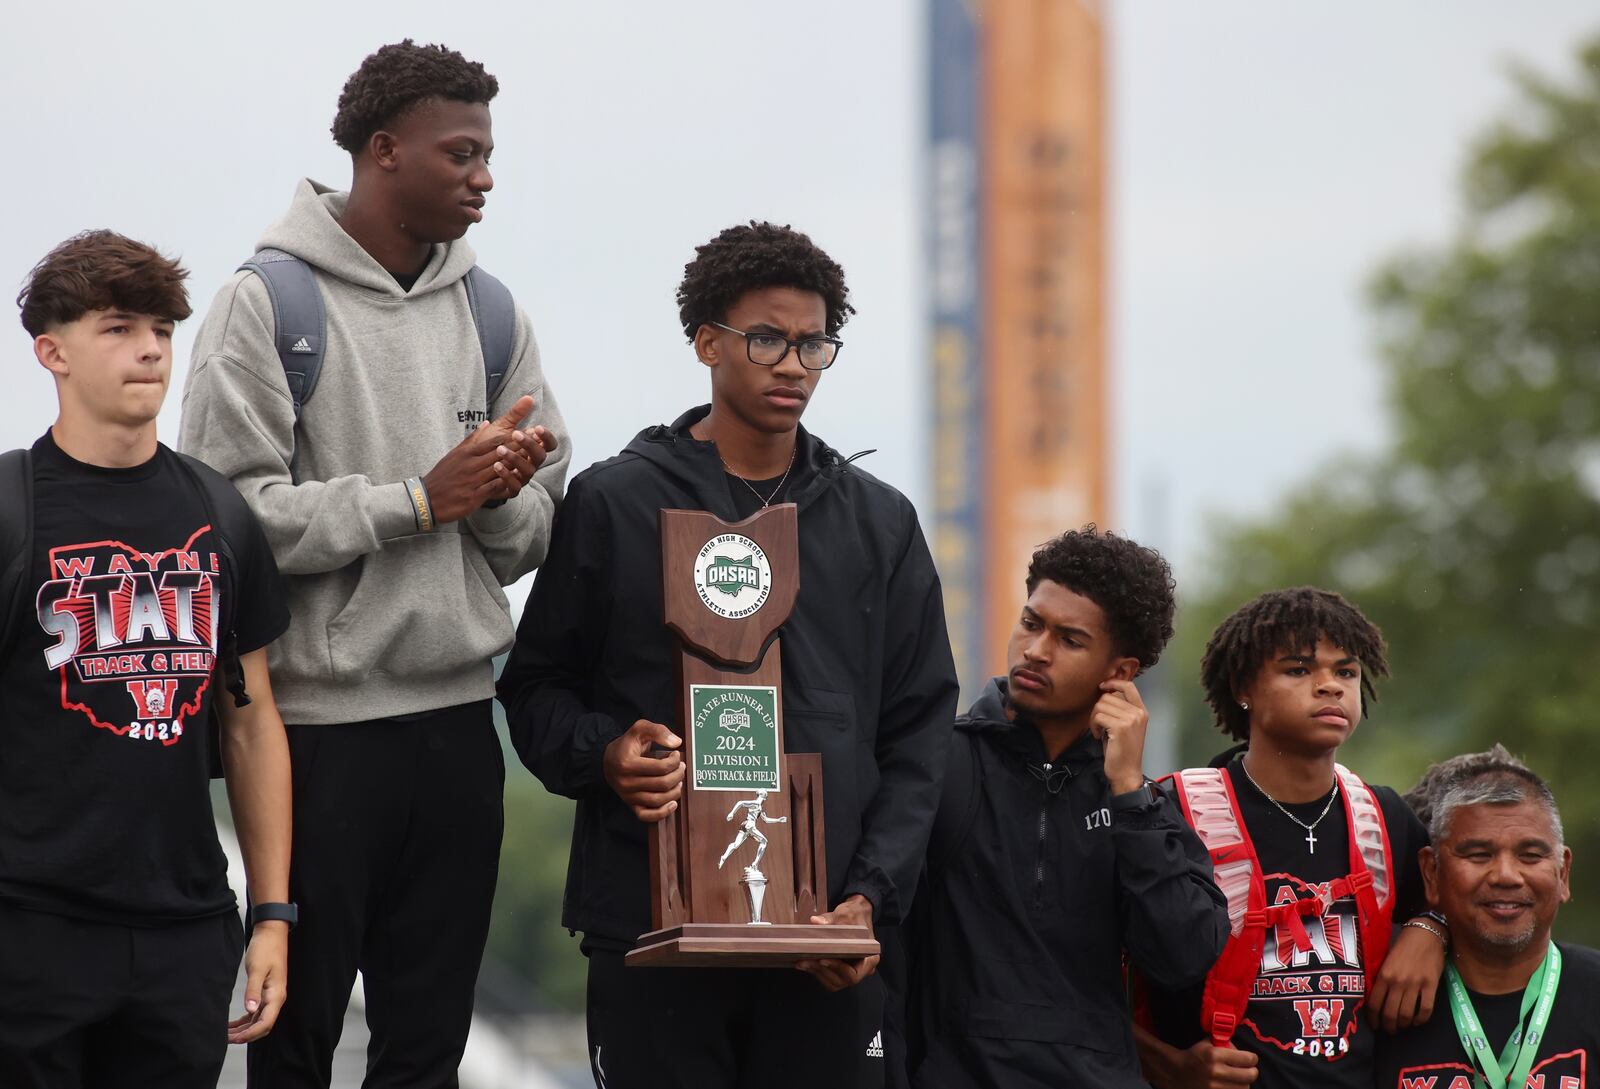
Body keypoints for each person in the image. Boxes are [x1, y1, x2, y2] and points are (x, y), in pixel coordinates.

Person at [178, 39, 570, 1088]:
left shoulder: (495, 314)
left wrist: (491, 499)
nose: (486, 176)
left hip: (457, 731)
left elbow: (536, 531)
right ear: (385, 150)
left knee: (427, 1052)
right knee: (297, 1045)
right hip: (311, 741)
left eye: (489, 154)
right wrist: (415, 502)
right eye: (464, 153)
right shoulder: (263, 308)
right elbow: (225, 525)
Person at [498, 220, 959, 1089]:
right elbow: (534, 692)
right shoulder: (615, 502)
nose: (793, 363)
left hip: (826, 940)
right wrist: (606, 753)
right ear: (708, 342)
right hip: (651, 929)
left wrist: (866, 901)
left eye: (815, 342)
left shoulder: (880, 523)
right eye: (767, 338)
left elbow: (920, 731)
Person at [1, 230, 293, 1087]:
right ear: (51, 352)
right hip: (28, 927)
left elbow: (251, 722)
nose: (149, 350)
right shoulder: (13, 511)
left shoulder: (219, 514)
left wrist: (271, 913)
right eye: (120, 327)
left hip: (184, 931)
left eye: (163, 330)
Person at [900, 526, 1228, 1088]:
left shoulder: (1142, 803)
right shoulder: (937, 763)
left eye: (1069, 640)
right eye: (1031, 623)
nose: (1035, 651)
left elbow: (1184, 955)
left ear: (1120, 672)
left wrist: (1127, 790)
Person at [1136, 587, 1447, 1089]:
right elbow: (1080, 968)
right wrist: (1164, 1066)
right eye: (1299, 670)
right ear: (1243, 687)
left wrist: (1432, 928)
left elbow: (1463, 904)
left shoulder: (1383, 814)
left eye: (1345, 671)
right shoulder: (1174, 811)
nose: (1330, 686)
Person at [1377, 745, 1596, 1088]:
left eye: (1531, 855)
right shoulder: (1383, 1000)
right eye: (1479, 855)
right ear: (1431, 873)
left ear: (1563, 873)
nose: (1506, 875)